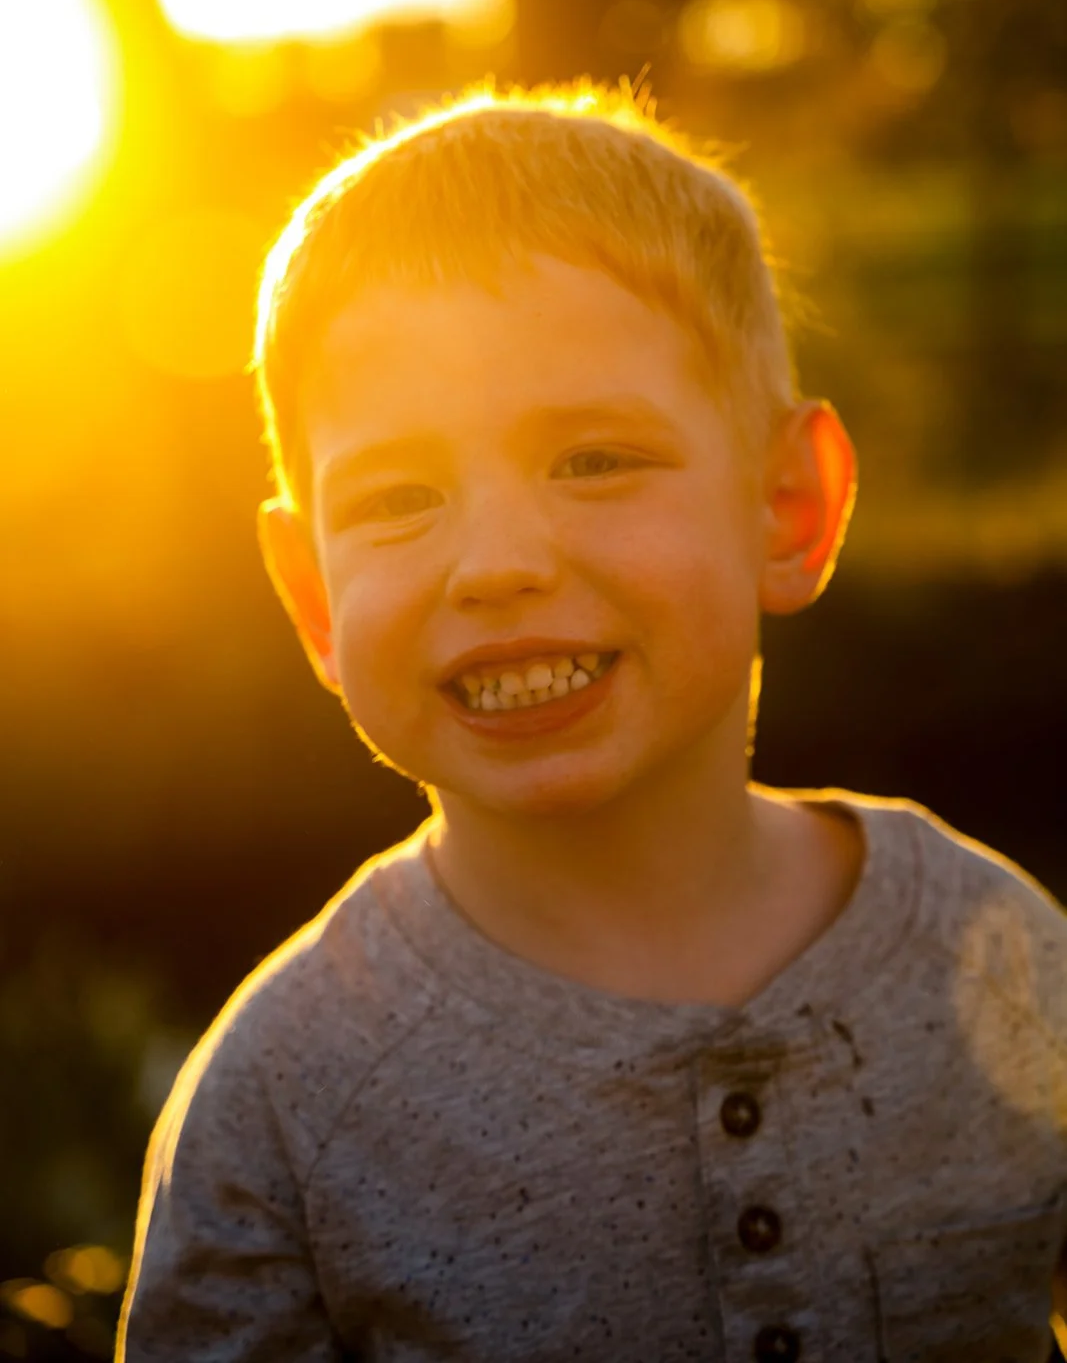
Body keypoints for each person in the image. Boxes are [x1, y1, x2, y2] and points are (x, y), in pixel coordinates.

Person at [117, 84, 1067, 1363]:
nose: (496, 562)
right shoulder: (283, 1098)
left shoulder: (989, 945)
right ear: (313, 599)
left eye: (593, 460)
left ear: (785, 506)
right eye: (400, 495)